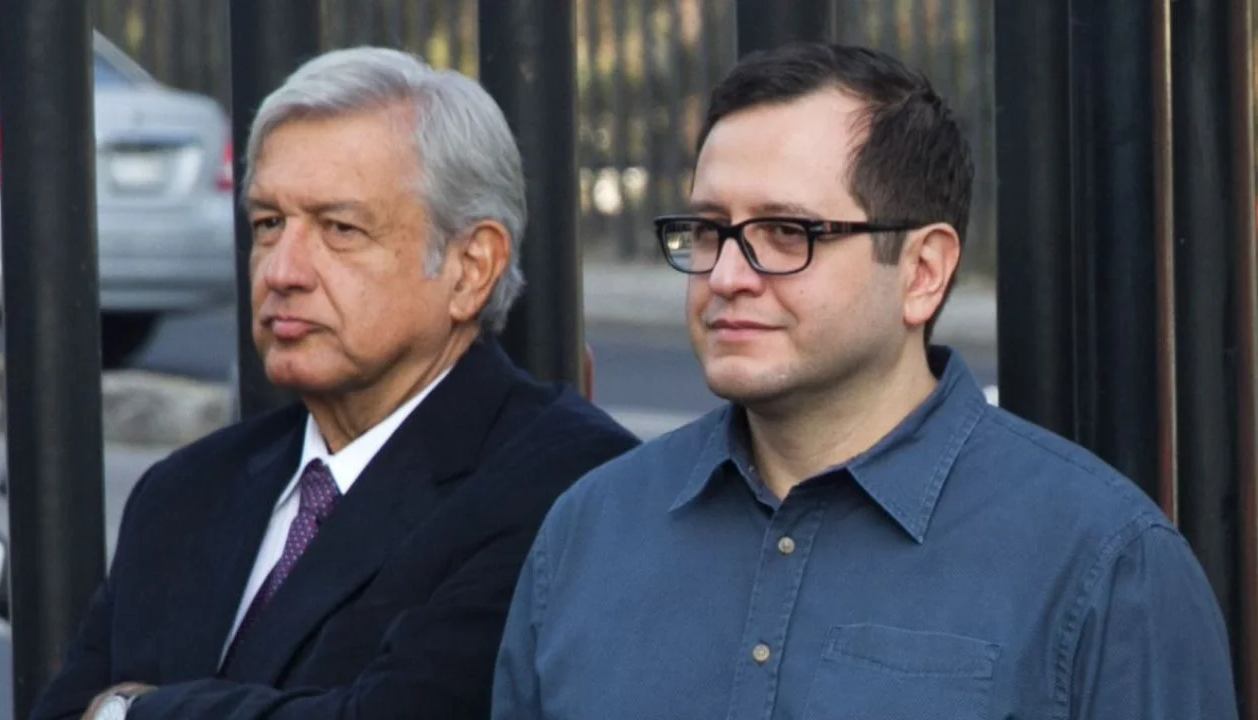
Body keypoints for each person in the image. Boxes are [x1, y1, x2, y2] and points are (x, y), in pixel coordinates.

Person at [492, 42, 1237, 719]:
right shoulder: (589, 533)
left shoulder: (1104, 565)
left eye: (787, 232)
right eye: (710, 229)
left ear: (923, 272)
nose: (725, 276)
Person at [30, 46, 638, 720]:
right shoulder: (185, 492)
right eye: (268, 224)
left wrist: (130, 712)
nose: (282, 270)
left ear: (471, 266)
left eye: (339, 228)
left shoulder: (567, 486)